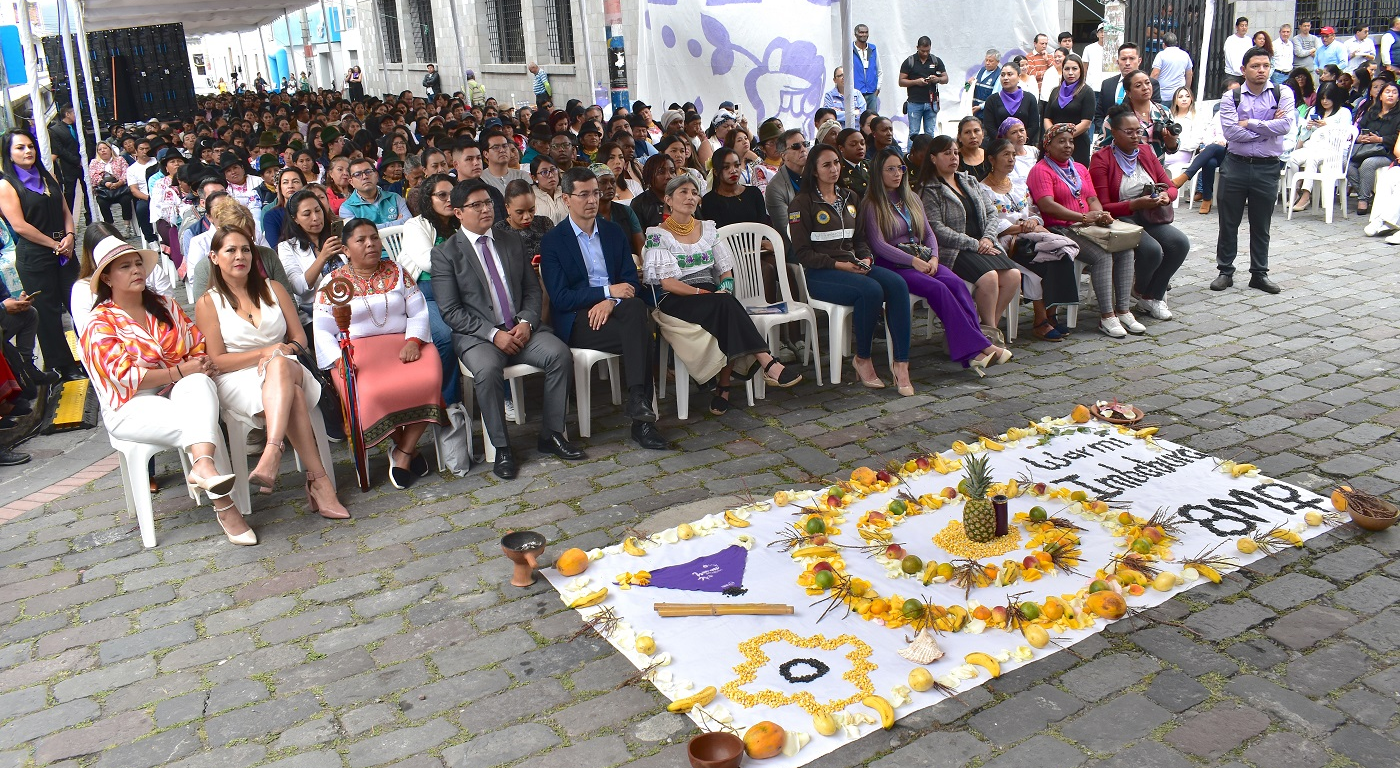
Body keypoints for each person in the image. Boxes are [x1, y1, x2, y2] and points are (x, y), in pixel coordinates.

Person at [80, 237, 252, 544]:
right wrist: (179, 370)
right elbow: (126, 377)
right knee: (199, 423)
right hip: (130, 404)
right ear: (107, 278)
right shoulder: (99, 323)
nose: (136, 270)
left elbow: (195, 343)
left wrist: (199, 364)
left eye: (138, 264)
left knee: (199, 384)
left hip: (179, 389)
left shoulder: (165, 306)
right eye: (125, 267)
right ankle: (225, 506)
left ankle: (202, 466)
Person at [194, 225, 348, 518]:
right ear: (214, 257)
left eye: (245, 249)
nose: (240, 256)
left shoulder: (274, 289)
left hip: (288, 364)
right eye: (230, 250)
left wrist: (279, 352)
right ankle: (320, 482)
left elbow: (300, 339)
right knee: (293, 395)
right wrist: (265, 352)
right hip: (238, 378)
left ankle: (272, 449)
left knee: (280, 365)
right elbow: (217, 361)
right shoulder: (208, 302)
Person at [642, 175, 801, 412]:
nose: (690, 197)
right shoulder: (658, 234)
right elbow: (668, 284)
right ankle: (766, 363)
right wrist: (704, 293)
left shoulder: (707, 229)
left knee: (725, 305)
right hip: (676, 298)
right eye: (683, 192)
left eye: (694, 192)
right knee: (725, 305)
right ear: (668, 200)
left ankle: (726, 386)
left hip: (710, 296)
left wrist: (726, 284)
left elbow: (725, 270)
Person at [540, 167, 670, 453]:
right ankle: (642, 421)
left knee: (636, 311)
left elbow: (629, 282)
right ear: (566, 199)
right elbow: (561, 298)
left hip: (617, 311)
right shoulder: (553, 241)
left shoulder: (612, 232)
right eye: (583, 194)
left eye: (595, 193)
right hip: (578, 320)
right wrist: (606, 292)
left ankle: (638, 403)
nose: (592, 200)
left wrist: (611, 301)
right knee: (640, 330)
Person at [313, 219, 445, 489]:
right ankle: (407, 450)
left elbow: (419, 311)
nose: (370, 244)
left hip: (405, 344)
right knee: (370, 392)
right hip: (356, 352)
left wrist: (413, 341)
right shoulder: (334, 282)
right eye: (361, 240)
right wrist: (339, 360)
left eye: (374, 237)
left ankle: (403, 452)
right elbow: (322, 329)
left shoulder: (397, 271)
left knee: (429, 379)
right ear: (346, 250)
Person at [862, 147, 1008, 375]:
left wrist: (934, 257)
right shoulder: (872, 204)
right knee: (938, 289)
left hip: (922, 257)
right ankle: (981, 347)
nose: (897, 174)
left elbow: (929, 233)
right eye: (890, 169)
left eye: (900, 168)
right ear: (877, 173)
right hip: (894, 264)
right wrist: (912, 261)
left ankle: (975, 350)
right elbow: (878, 245)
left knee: (957, 284)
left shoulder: (911, 198)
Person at [790, 144, 911, 388]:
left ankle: (901, 363)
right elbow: (803, 254)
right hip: (821, 274)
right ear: (814, 170)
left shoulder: (850, 197)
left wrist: (866, 258)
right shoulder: (802, 203)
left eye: (836, 162)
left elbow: (860, 240)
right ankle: (862, 358)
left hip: (854, 265)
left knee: (898, 284)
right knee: (871, 290)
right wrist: (839, 265)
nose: (834, 169)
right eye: (826, 165)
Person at [1029, 124, 1140, 338]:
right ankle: (1107, 316)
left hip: (1087, 225)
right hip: (1060, 228)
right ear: (1048, 146)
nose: (1068, 146)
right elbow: (1047, 205)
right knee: (1102, 257)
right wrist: (1081, 217)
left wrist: (1100, 214)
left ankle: (1123, 310)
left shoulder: (1079, 168)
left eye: (1071, 141)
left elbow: (1091, 198)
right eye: (1061, 141)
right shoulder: (1041, 170)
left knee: (1125, 249)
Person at [918, 136, 1022, 342]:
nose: (953, 157)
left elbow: (992, 213)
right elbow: (937, 229)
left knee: (1013, 276)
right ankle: (989, 335)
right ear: (933, 158)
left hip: (984, 243)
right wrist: (975, 244)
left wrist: (988, 238)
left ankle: (985, 329)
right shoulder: (929, 189)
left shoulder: (969, 181)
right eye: (947, 153)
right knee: (989, 278)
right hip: (954, 249)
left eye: (956, 153)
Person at [1090, 105, 1188, 322]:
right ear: (1115, 133)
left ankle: (1152, 296)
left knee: (1180, 243)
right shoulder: (1101, 159)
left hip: (1151, 214)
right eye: (1129, 132)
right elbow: (1103, 205)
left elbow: (1170, 186)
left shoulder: (1146, 152)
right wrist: (1134, 204)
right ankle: (1142, 290)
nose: (1136, 136)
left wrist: (1167, 196)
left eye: (1138, 131)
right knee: (1152, 250)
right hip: (1120, 218)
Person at [0, 130, 83, 381]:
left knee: (80, 302)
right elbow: (20, 226)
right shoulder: (6, 185)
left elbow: (65, 209)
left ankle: (92, 353)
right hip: (36, 254)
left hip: (64, 249)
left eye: (30, 146)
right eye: (20, 148)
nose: (28, 151)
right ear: (9, 154)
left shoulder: (48, 176)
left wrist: (70, 236)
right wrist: (54, 244)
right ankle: (64, 366)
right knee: (47, 313)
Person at [1213, 46, 1294, 294]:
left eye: (1266, 66)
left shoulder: (1282, 93)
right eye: (1255, 66)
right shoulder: (1231, 97)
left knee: (1262, 223)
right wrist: (1267, 128)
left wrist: (1249, 123)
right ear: (1243, 69)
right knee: (1229, 222)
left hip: (1267, 167)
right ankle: (1225, 271)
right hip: (1235, 164)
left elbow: (1285, 125)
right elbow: (1231, 132)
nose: (1261, 70)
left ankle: (1259, 273)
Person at [981, 138, 1080, 341]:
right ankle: (1040, 320)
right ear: (991, 159)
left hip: (1031, 235)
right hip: (1008, 242)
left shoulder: (1018, 184)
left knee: (1059, 256)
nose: (1011, 159)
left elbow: (1034, 211)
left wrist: (1032, 221)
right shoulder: (983, 190)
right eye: (1005, 155)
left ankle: (1051, 314)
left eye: (1013, 155)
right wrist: (1020, 227)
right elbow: (990, 223)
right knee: (1041, 265)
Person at [394, 174, 461, 406]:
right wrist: (463, 259)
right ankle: (447, 402)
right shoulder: (416, 225)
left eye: (453, 194)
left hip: (462, 291)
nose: (449, 200)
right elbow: (428, 263)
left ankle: (504, 394)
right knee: (446, 336)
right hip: (426, 291)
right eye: (442, 195)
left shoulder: (462, 221)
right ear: (428, 199)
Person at [1288, 84, 1353, 211]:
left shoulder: (1343, 112)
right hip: (1312, 145)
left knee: (1312, 159)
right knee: (1293, 158)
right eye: (1322, 98)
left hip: (1332, 149)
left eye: (1328, 98)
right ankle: (1296, 190)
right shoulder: (1314, 111)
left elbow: (1344, 135)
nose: (1325, 101)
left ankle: (1306, 195)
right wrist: (1308, 128)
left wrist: (1326, 126)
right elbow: (1304, 136)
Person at [1350, 80, 1400, 216]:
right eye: (1387, 92)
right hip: (1366, 149)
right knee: (1346, 163)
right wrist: (1360, 138)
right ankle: (1367, 193)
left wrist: (1380, 139)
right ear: (1381, 96)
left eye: (1394, 92)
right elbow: (1358, 130)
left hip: (1387, 152)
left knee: (1369, 163)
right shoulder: (1371, 112)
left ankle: (1363, 200)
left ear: (1398, 97)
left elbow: (1397, 138)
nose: (1391, 95)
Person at [1110, 70, 1180, 161]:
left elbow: (1173, 148)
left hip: (1157, 168)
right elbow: (1100, 149)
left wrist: (1171, 142)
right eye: (1138, 85)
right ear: (1128, 93)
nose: (1145, 88)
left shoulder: (1164, 112)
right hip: (1127, 167)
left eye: (1147, 83)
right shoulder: (1119, 115)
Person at [1041, 55, 1096, 166]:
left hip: (1077, 143)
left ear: (1081, 70)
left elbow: (1086, 123)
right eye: (1067, 69)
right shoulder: (1055, 91)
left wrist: (1064, 138)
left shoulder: (1087, 92)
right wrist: (1054, 136)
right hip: (1055, 144)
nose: (1070, 73)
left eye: (1074, 69)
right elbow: (1047, 118)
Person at [981, 61, 1042, 150]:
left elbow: (1034, 125)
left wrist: (1020, 141)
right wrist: (1004, 143)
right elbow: (989, 126)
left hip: (1024, 147)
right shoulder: (992, 100)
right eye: (1002, 75)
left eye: (1009, 74)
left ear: (1019, 77)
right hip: (1000, 148)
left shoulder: (1029, 98)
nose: (1005, 78)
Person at [764, 129, 811, 239]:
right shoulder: (774, 188)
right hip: (796, 243)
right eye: (796, 146)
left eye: (805, 144)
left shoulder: (817, 175)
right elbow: (787, 228)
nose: (803, 149)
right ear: (783, 155)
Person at [591, 164, 645, 258]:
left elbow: (641, 248)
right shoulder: (586, 215)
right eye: (603, 182)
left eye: (613, 182)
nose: (609, 186)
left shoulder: (626, 211)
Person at [47, 105, 89, 225]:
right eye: (74, 113)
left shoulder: (79, 127)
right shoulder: (55, 130)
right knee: (69, 193)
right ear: (67, 114)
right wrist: (76, 161)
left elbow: (88, 143)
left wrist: (85, 159)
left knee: (87, 191)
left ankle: (89, 217)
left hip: (84, 164)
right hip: (69, 166)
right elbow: (60, 150)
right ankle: (67, 218)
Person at [338, 157, 410, 225]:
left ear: (376, 175)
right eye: (357, 174)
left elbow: (408, 222)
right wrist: (397, 223)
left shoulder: (395, 198)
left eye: (368, 172)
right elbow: (355, 231)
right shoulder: (347, 208)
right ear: (351, 182)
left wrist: (368, 227)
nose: (365, 177)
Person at [899, 36, 947, 138]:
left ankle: (929, 149)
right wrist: (916, 82)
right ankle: (912, 149)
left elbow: (945, 78)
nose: (925, 53)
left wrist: (937, 79)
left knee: (930, 133)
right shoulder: (910, 61)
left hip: (931, 102)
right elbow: (901, 81)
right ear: (917, 48)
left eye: (927, 51)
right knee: (913, 133)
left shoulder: (935, 61)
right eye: (922, 51)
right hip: (914, 102)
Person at [89, 141, 134, 235]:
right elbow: (93, 176)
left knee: (126, 199)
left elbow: (126, 172)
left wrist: (119, 183)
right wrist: (105, 183)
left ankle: (127, 226)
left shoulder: (120, 159)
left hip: (120, 188)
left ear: (110, 149)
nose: (103, 151)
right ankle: (110, 227)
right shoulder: (94, 162)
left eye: (105, 148)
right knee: (102, 203)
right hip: (104, 190)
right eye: (100, 149)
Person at [125, 138, 159, 248]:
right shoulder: (132, 169)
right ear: (136, 151)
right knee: (141, 209)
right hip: (145, 197)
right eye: (141, 149)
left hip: (161, 194)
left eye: (147, 148)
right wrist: (148, 198)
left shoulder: (157, 162)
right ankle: (151, 239)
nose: (144, 151)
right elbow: (134, 190)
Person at [261, 167, 305, 247]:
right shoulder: (272, 216)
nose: (290, 186)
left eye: (295, 181)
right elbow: (274, 248)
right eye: (285, 182)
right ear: (279, 188)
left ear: (303, 185)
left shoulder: (312, 210)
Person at [481, 129, 532, 194]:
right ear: (486, 154)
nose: (502, 150)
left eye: (505, 146)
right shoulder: (482, 180)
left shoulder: (522, 175)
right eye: (496, 147)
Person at [1150, 33, 1194, 99]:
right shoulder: (1185, 54)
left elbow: (1155, 74)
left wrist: (1150, 90)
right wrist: (1186, 90)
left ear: (1163, 44)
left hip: (1163, 95)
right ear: (1176, 43)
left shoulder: (1161, 55)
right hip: (1178, 95)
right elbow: (1189, 74)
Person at [853, 24, 882, 114]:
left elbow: (879, 70)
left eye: (866, 32)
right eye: (861, 32)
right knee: (857, 118)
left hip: (871, 92)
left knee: (872, 118)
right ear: (855, 34)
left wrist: (877, 89)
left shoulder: (873, 48)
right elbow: (843, 70)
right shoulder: (850, 49)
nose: (864, 34)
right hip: (856, 93)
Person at [970, 50, 1003, 116]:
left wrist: (981, 107)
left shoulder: (999, 75)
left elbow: (994, 96)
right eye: (986, 60)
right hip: (974, 109)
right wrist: (970, 82)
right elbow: (973, 86)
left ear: (997, 62)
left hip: (986, 112)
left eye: (991, 61)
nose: (987, 63)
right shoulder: (982, 70)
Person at [1084, 23, 1108, 91]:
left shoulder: (1115, 49)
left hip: (1109, 86)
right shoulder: (1088, 48)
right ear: (1097, 34)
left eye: (1106, 32)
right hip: (1092, 86)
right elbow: (1085, 67)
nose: (1103, 34)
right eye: (1101, 32)